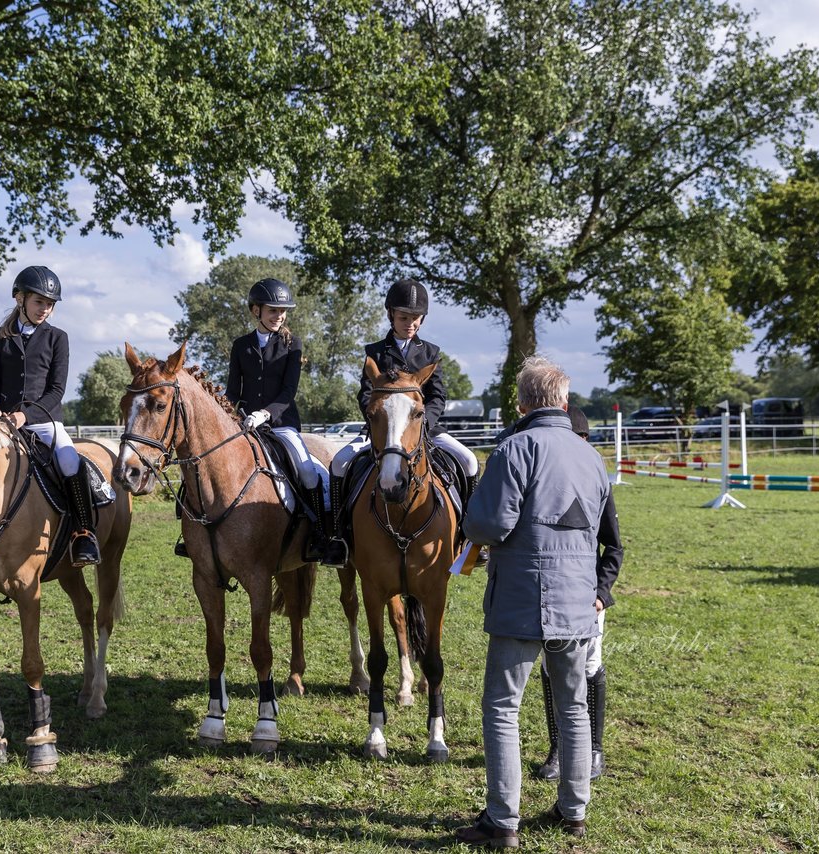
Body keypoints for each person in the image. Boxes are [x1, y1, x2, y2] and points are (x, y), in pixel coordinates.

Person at [453, 356, 620, 845]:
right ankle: (575, 810)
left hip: (522, 597)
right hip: (577, 603)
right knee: (573, 705)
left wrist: (472, 524)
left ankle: (502, 820)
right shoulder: (592, 456)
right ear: (564, 402)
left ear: (522, 402)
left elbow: (490, 525)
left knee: (503, 707)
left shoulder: (514, 448)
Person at [500, 404, 622, 782]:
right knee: (554, 675)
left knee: (588, 669)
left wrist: (601, 592)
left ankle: (595, 750)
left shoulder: (593, 476)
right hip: (549, 594)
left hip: (587, 595)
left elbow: (614, 547)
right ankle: (558, 749)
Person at [324, 277, 479, 564]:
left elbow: (438, 396)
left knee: (469, 461)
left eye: (415, 318)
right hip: (381, 431)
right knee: (339, 463)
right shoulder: (375, 352)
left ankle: (469, 540)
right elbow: (366, 393)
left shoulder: (431, 352)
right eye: (404, 317)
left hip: (424, 429)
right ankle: (338, 537)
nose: (410, 323)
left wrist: (423, 425)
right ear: (391, 315)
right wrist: (376, 423)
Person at [0, 265, 101, 566]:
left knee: (69, 459)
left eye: (50, 304)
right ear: (19, 298)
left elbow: (56, 391)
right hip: (2, 423)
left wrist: (24, 415)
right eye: (40, 302)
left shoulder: (57, 338)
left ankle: (83, 534)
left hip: (44, 420)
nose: (45, 309)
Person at [225, 277, 329, 559]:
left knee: (308, 472)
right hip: (245, 425)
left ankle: (322, 531)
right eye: (273, 310)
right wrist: (228, 416)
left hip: (281, 425)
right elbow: (233, 391)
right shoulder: (241, 345)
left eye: (282, 311)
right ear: (256, 311)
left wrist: (265, 413)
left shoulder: (292, 345)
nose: (279, 316)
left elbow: (288, 391)